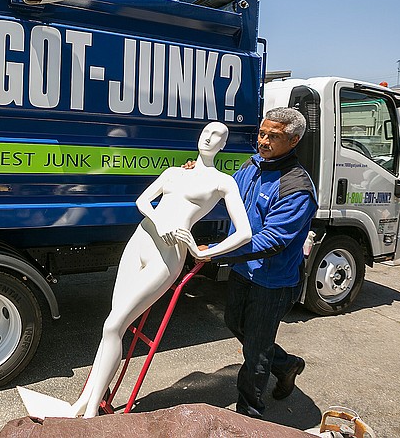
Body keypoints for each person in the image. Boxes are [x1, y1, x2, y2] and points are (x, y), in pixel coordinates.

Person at [19, 121, 252, 420]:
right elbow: (143, 200)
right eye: (206, 131)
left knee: (114, 325)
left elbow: (244, 232)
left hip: (167, 255)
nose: (208, 137)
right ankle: (86, 401)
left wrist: (201, 252)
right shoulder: (174, 172)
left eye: (217, 135)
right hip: (141, 239)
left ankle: (90, 413)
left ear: (223, 145)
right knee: (111, 324)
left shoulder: (223, 182)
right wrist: (161, 220)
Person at [181, 107, 318, 419]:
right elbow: (226, 190)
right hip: (244, 271)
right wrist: (199, 174)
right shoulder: (252, 166)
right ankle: (287, 365)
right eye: (262, 133)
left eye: (274, 136)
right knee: (235, 323)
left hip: (274, 281)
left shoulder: (296, 187)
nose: (264, 141)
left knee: (255, 352)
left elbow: (273, 240)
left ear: (294, 140)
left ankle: (248, 415)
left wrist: (215, 251)